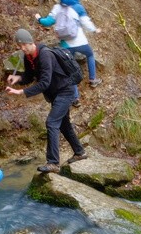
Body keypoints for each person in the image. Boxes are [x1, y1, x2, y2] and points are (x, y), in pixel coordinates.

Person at [5, 28, 87, 174]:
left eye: (24, 44)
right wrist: (18, 78)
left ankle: (53, 163)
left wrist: (21, 92)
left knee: (52, 122)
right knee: (63, 125)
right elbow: (30, 77)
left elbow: (44, 83)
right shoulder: (28, 57)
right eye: (20, 46)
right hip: (55, 94)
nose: (22, 48)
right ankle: (80, 152)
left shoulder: (45, 55)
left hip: (65, 91)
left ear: (31, 42)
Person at [36, 0, 103, 99]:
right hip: (81, 42)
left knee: (69, 70)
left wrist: (39, 19)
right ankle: (92, 79)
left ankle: (75, 98)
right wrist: (94, 29)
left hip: (66, 45)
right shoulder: (78, 7)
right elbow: (86, 22)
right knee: (90, 55)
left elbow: (48, 22)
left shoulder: (57, 8)